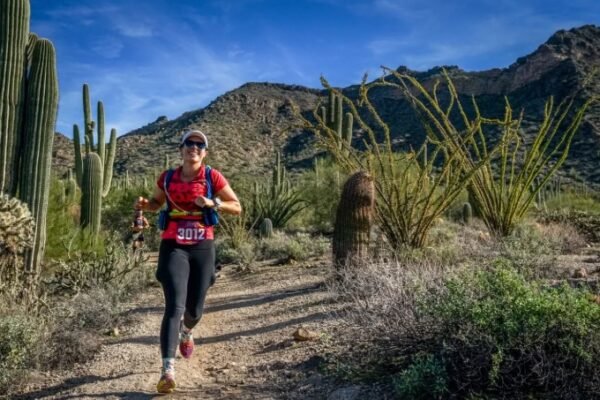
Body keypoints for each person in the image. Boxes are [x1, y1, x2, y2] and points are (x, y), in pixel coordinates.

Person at [134, 129, 241, 394]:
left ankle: (187, 330)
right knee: (174, 305)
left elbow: (236, 206)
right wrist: (145, 205)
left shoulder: (211, 176)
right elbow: (157, 203)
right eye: (189, 143)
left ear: (204, 152)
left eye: (199, 144)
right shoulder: (168, 177)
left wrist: (212, 202)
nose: (194, 147)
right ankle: (168, 370)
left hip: (202, 244)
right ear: (181, 149)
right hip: (173, 244)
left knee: (194, 310)